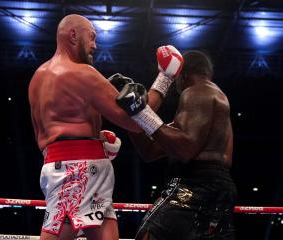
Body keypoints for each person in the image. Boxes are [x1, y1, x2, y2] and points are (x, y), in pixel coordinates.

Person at [28, 14, 145, 240]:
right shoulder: (83, 73)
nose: (95, 45)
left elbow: (47, 137)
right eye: (91, 37)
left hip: (60, 165)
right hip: (79, 170)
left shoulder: (37, 78)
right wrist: (164, 79)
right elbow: (135, 124)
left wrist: (95, 139)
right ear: (73, 35)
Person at [116, 47, 237, 239]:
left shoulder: (198, 92)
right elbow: (150, 151)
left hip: (194, 186)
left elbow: (184, 149)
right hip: (217, 190)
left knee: (148, 235)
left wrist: (142, 113)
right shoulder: (212, 102)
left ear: (182, 74)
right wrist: (134, 116)